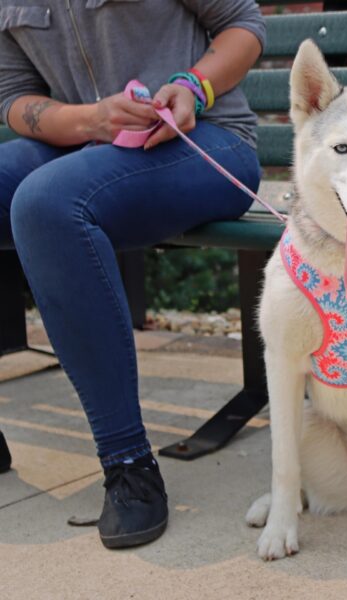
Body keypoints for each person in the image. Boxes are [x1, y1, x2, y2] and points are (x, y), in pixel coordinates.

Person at [0, 0, 265, 549]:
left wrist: (192, 87)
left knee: (47, 203)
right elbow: (14, 98)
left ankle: (128, 464)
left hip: (208, 144)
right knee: (42, 194)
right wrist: (90, 119)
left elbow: (243, 23)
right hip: (87, 149)